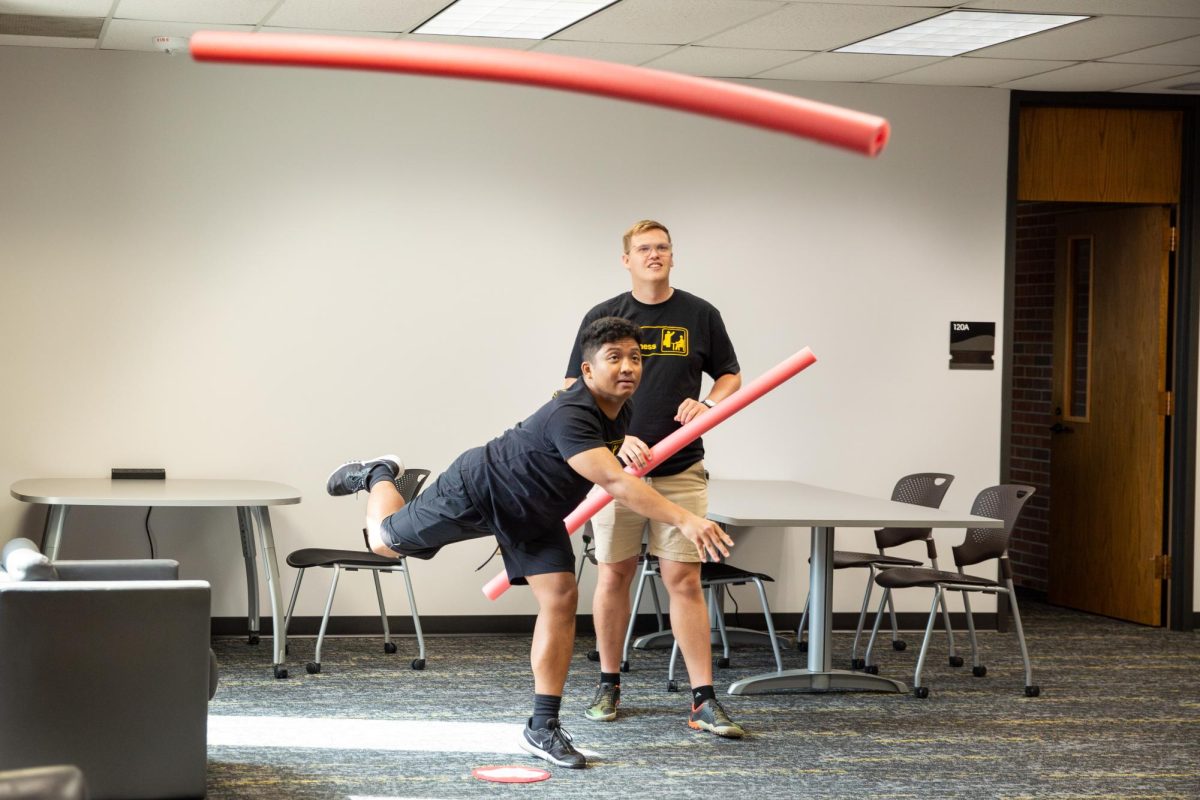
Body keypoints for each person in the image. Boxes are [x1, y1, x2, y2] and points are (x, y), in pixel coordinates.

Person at [325, 316, 735, 770]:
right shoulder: (572, 413)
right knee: (382, 541)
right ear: (586, 370)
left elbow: (609, 466)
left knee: (561, 597)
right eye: (614, 358)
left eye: (635, 359)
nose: (628, 368)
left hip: (534, 513)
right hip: (480, 486)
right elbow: (616, 483)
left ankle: (541, 726)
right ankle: (378, 472)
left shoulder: (624, 411)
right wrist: (687, 520)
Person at [564, 220, 744, 737]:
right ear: (626, 259)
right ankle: (608, 684)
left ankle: (703, 701)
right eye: (643, 248)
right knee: (614, 576)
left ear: (672, 256)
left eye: (662, 247)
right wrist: (616, 441)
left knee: (683, 580)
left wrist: (709, 402)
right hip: (617, 472)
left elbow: (731, 374)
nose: (654, 255)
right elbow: (574, 387)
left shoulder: (699, 313)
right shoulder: (604, 316)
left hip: (682, 468)